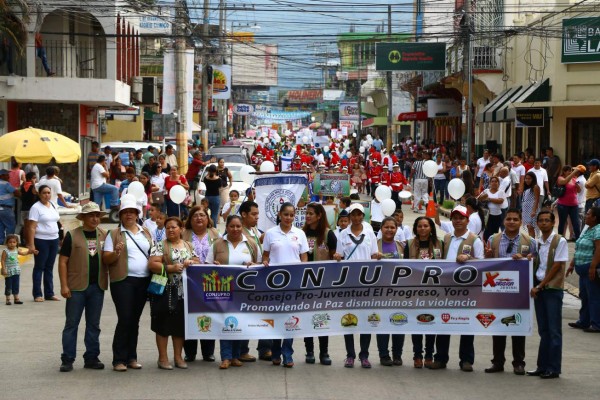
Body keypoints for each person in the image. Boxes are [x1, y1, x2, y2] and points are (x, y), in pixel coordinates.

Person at [430, 205, 484, 371]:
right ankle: (440, 358)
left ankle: (466, 360)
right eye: (455, 218)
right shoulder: (447, 238)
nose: (458, 221)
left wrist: (469, 258)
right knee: (443, 323)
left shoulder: (475, 240)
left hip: (467, 289)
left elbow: (482, 263)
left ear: (467, 220)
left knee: (467, 323)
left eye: (461, 218)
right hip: (446, 288)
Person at [483, 209, 536, 375]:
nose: (512, 222)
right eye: (509, 219)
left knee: (517, 325)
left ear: (520, 222)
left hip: (520, 291)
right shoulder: (493, 239)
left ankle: (518, 362)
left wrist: (529, 260)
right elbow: (488, 265)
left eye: (515, 219)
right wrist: (488, 256)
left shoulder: (531, 242)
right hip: (498, 290)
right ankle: (497, 361)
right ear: (504, 221)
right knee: (498, 326)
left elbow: (536, 265)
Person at [102, 198, 153, 372]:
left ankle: (132, 357)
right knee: (125, 318)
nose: (129, 214)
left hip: (144, 280)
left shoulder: (145, 232)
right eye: (125, 212)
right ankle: (119, 359)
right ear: (121, 215)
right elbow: (105, 258)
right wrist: (116, 253)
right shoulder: (114, 234)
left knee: (135, 320)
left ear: (138, 214)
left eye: (132, 211)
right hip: (123, 281)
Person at [58, 202, 108, 372]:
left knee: (94, 324)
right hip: (76, 287)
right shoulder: (72, 235)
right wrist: (64, 285)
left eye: (97, 215)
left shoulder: (103, 235)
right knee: (72, 324)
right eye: (91, 215)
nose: (95, 218)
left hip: (97, 287)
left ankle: (92, 357)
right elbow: (63, 261)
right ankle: (67, 358)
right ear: (83, 217)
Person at [206, 215, 260, 369]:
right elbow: (207, 265)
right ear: (227, 227)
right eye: (232, 226)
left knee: (240, 323)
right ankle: (226, 357)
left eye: (238, 226)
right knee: (226, 322)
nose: (235, 229)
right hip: (224, 290)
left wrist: (253, 264)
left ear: (242, 226)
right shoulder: (217, 244)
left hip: (244, 291)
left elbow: (260, 264)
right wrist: (214, 265)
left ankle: (236, 355)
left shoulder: (251, 243)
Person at [262, 202, 309, 368]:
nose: (288, 218)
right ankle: (275, 352)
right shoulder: (270, 234)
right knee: (277, 318)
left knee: (291, 319)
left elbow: (304, 258)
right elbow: (265, 256)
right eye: (286, 214)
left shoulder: (300, 233)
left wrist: (302, 271)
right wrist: (265, 262)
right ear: (280, 215)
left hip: (294, 283)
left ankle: (287, 354)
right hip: (275, 283)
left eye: (291, 215)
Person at [148, 217, 198, 370]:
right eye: (168, 227)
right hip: (164, 289)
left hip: (184, 292)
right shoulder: (160, 245)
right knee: (162, 324)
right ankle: (162, 358)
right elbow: (152, 264)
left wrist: (192, 262)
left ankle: (178, 357)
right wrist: (170, 268)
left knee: (179, 325)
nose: (170, 230)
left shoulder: (188, 245)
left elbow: (197, 260)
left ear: (181, 229)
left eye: (174, 227)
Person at [333, 203, 379, 369]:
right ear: (350, 216)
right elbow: (339, 255)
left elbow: (374, 254)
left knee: (366, 319)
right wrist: (337, 256)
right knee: (349, 319)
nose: (356, 217)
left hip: (366, 282)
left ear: (363, 216)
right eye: (354, 214)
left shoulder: (369, 234)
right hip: (348, 282)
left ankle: (364, 355)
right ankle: (350, 355)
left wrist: (378, 256)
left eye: (359, 214)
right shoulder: (343, 235)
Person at [527, 210, 568, 379]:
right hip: (539, 288)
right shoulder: (538, 243)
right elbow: (537, 262)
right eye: (541, 221)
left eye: (547, 221)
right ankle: (542, 365)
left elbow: (557, 266)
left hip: (551, 289)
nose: (543, 223)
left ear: (553, 223)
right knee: (543, 330)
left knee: (553, 330)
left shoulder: (560, 241)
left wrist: (541, 285)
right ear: (537, 223)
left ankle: (553, 367)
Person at [182, 205, 220, 363]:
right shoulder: (184, 234)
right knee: (189, 316)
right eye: (195, 215)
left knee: (208, 315)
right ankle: (189, 352)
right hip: (189, 282)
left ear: (207, 218)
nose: (199, 218)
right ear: (190, 219)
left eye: (202, 215)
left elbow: (222, 253)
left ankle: (208, 352)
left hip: (210, 281)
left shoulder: (215, 233)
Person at [302, 202, 336, 366]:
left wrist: (337, 258)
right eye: (306, 213)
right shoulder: (301, 233)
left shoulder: (329, 235)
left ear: (319, 215)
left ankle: (324, 352)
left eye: (310, 213)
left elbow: (335, 256)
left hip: (323, 285)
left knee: (322, 318)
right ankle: (309, 351)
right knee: (307, 318)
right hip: (304, 284)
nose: (307, 216)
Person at [405, 216, 440, 368]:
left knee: (431, 323)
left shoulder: (440, 244)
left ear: (431, 228)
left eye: (426, 226)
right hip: (415, 291)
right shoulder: (409, 244)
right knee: (416, 323)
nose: (423, 228)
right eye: (420, 226)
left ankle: (429, 355)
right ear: (415, 228)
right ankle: (417, 355)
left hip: (435, 292)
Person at [237, 200, 270, 361]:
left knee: (264, 313)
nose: (257, 217)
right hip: (245, 280)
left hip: (261, 278)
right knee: (246, 316)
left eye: (258, 214)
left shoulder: (256, 231)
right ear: (244, 214)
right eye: (254, 214)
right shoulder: (237, 232)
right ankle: (242, 350)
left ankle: (264, 348)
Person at [374, 217, 405, 367]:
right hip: (380, 291)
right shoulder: (374, 245)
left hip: (399, 292)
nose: (389, 230)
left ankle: (397, 354)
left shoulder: (401, 246)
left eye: (392, 227)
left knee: (399, 321)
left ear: (397, 229)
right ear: (381, 229)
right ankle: (384, 355)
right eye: (386, 227)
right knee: (383, 323)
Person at [566, 207, 600, 332]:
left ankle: (596, 323)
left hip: (590, 268)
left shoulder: (598, 230)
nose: (586, 215)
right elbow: (579, 247)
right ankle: (584, 321)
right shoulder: (587, 229)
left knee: (594, 296)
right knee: (584, 296)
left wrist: (592, 267)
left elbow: (598, 250)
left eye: (589, 214)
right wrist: (572, 264)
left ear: (595, 217)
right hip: (582, 269)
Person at [26, 185, 60, 302]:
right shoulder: (36, 208)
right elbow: (31, 227)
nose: (47, 195)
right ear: (39, 194)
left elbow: (57, 221)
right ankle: (37, 294)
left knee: (49, 267)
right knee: (39, 267)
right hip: (41, 240)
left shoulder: (53, 205)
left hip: (54, 239)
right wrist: (31, 244)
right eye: (44, 193)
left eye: (49, 193)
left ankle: (49, 293)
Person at [556, 165, 582, 241]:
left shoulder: (574, 179)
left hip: (574, 205)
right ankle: (560, 240)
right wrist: (573, 172)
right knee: (562, 223)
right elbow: (564, 182)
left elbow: (579, 191)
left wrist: (577, 186)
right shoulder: (560, 178)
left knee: (576, 223)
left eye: (571, 170)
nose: (570, 172)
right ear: (564, 172)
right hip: (563, 205)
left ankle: (578, 240)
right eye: (568, 171)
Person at [2, 234, 30, 305]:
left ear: (17, 243)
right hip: (8, 271)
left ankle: (16, 298)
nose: (12, 244)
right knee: (8, 285)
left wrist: (30, 251)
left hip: (16, 271)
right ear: (6, 243)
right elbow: (2, 260)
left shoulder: (16, 250)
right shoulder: (5, 251)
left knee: (16, 285)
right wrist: (4, 269)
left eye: (14, 242)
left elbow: (23, 254)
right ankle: (8, 299)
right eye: (10, 242)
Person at [479, 176, 506, 241]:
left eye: (496, 181)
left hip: (497, 215)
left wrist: (489, 199)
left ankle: (492, 246)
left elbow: (500, 201)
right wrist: (484, 198)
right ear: (490, 183)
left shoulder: (501, 192)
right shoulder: (486, 191)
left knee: (494, 232)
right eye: (492, 181)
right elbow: (479, 199)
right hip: (487, 215)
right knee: (486, 232)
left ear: (498, 183)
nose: (494, 183)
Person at [0, 169, 20, 245]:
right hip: (6, 209)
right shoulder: (6, 184)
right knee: (11, 225)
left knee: (0, 226)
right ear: (1, 176)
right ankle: (9, 242)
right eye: (6, 175)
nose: (8, 176)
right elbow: (17, 193)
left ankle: (1, 243)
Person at [522, 172, 541, 238]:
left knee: (531, 227)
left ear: (533, 179)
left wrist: (534, 210)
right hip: (526, 210)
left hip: (532, 209)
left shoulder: (535, 187)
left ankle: (532, 243)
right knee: (528, 227)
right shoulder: (526, 188)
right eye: (526, 178)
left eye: (529, 178)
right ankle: (531, 241)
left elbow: (536, 199)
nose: (527, 180)